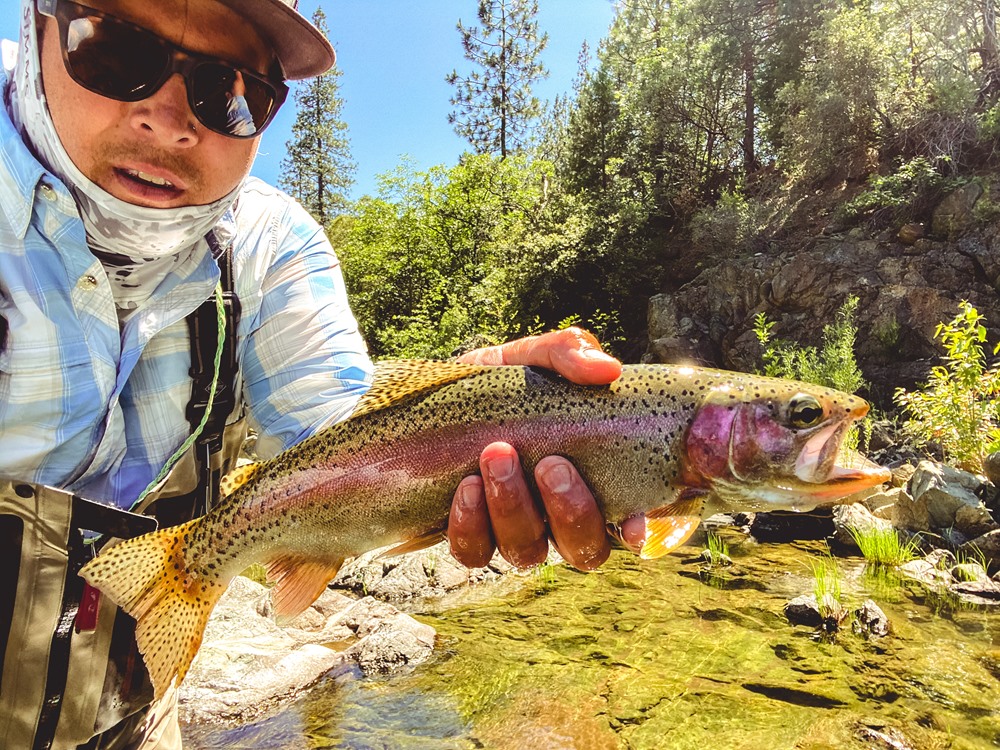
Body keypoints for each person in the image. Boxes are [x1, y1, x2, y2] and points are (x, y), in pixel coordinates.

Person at [0, 0, 646, 747]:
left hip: (129, 719)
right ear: (36, 24)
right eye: (113, 53)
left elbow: (337, 439)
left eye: (228, 92)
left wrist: (473, 405)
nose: (171, 120)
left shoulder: (273, 245)